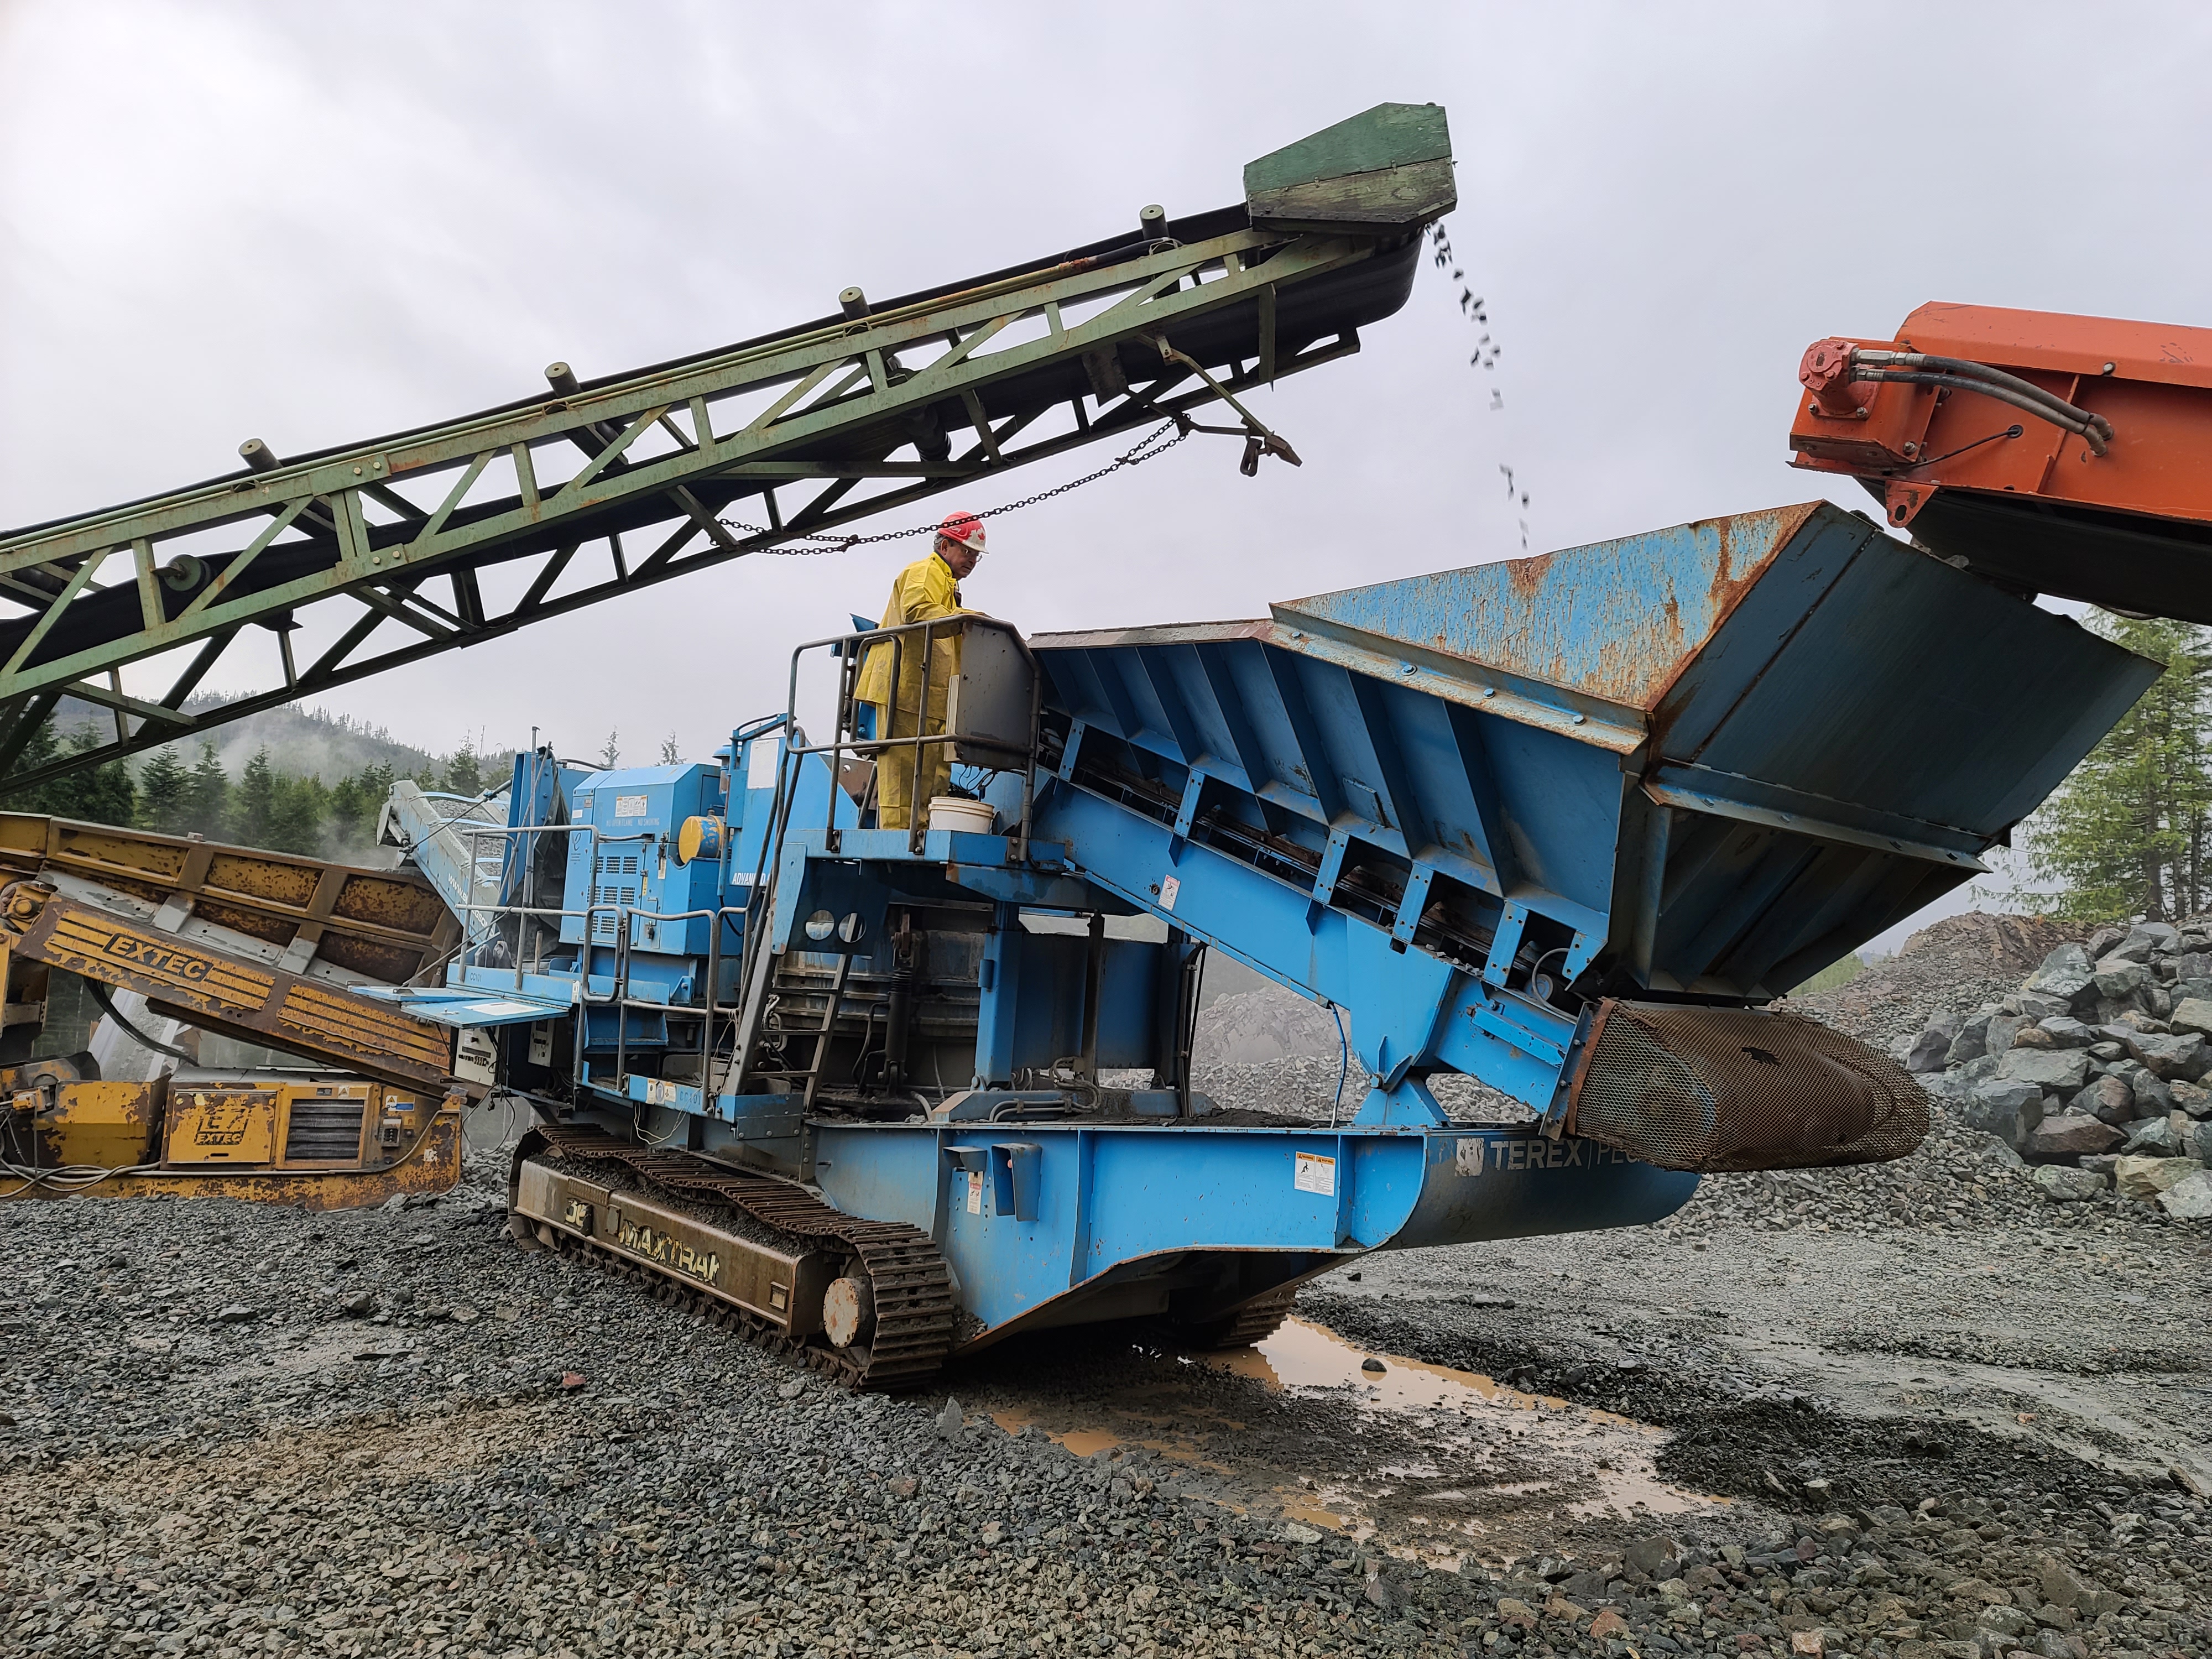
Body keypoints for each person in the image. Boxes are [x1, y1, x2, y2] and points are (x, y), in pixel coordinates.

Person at [856, 511, 987, 829]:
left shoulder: (947, 584)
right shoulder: (924, 571)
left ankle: (922, 837)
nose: (972, 560)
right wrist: (969, 619)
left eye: (976, 555)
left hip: (927, 694)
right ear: (944, 546)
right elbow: (918, 611)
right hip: (904, 690)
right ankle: (900, 841)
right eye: (966, 551)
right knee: (903, 775)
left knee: (933, 774)